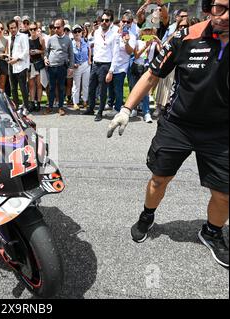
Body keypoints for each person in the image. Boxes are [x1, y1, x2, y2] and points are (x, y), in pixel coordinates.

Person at [107, 0, 229, 268]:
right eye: (220, 7)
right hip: (178, 125)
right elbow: (152, 75)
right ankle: (147, 216)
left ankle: (211, 232)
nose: (225, 15)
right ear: (209, 7)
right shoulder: (186, 37)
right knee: (159, 180)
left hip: (221, 131)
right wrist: (126, 109)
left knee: (224, 194)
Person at [83, 9, 116, 121]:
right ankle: (91, 108)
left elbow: (115, 54)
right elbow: (90, 43)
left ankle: (100, 112)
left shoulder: (114, 34)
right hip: (95, 64)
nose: (103, 22)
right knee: (91, 88)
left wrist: (111, 71)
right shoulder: (97, 32)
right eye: (102, 20)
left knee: (102, 90)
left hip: (105, 65)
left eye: (106, 20)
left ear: (111, 22)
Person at [104, 13, 137, 121]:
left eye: (128, 22)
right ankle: (110, 103)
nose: (126, 23)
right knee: (110, 86)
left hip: (122, 66)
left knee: (118, 88)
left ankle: (118, 108)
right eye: (124, 21)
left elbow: (129, 51)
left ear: (131, 23)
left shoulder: (132, 35)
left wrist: (126, 42)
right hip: (111, 64)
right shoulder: (114, 32)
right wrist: (117, 34)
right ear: (121, 21)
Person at [44, 18, 74, 116]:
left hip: (62, 67)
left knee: (61, 87)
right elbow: (46, 51)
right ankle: (51, 106)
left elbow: (71, 55)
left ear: (63, 27)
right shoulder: (51, 39)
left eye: (58, 27)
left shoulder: (68, 40)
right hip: (51, 67)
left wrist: (70, 67)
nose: (55, 29)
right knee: (51, 88)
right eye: (54, 27)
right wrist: (45, 58)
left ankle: (61, 107)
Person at [7, 19, 31, 115]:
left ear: (17, 27)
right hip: (11, 65)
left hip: (21, 66)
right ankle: (16, 107)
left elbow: (26, 51)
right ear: (9, 29)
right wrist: (9, 58)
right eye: (11, 28)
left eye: (14, 27)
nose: (13, 29)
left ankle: (26, 107)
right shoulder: (9, 38)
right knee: (13, 88)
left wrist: (16, 59)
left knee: (23, 88)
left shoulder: (23, 36)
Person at [71, 24, 91, 110]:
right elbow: (69, 56)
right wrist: (73, 64)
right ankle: (75, 103)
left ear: (82, 32)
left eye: (79, 31)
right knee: (76, 85)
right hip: (76, 66)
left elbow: (89, 49)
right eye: (75, 31)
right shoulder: (71, 43)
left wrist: (89, 60)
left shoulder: (85, 41)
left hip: (86, 65)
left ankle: (85, 101)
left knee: (85, 84)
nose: (77, 33)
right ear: (72, 33)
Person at [28, 21, 45, 112]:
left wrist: (38, 51)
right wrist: (29, 52)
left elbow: (44, 51)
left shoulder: (41, 39)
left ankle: (38, 103)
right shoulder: (27, 40)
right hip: (31, 64)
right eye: (31, 29)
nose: (33, 30)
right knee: (31, 85)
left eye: (34, 29)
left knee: (39, 84)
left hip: (39, 63)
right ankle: (32, 102)